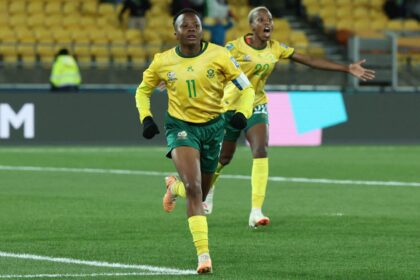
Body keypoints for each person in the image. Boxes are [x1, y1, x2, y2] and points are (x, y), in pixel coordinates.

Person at [168, 6, 376, 228]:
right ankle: (206, 193)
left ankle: (256, 211)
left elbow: (308, 60)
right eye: (260, 19)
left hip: (256, 105)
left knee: (261, 150)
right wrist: (176, 73)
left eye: (269, 19)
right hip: (228, 107)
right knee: (224, 158)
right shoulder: (234, 48)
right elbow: (206, 62)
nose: (267, 22)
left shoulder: (276, 49)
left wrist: (346, 68)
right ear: (252, 26)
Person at [135, 8, 255, 273]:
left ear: (202, 30)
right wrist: (146, 117)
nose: (191, 29)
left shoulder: (220, 55)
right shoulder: (162, 61)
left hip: (214, 128)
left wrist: (242, 114)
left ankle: (172, 187)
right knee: (194, 187)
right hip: (181, 127)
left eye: (196, 25)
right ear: (175, 32)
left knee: (198, 192)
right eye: (185, 26)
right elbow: (143, 91)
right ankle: (204, 256)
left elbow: (247, 88)